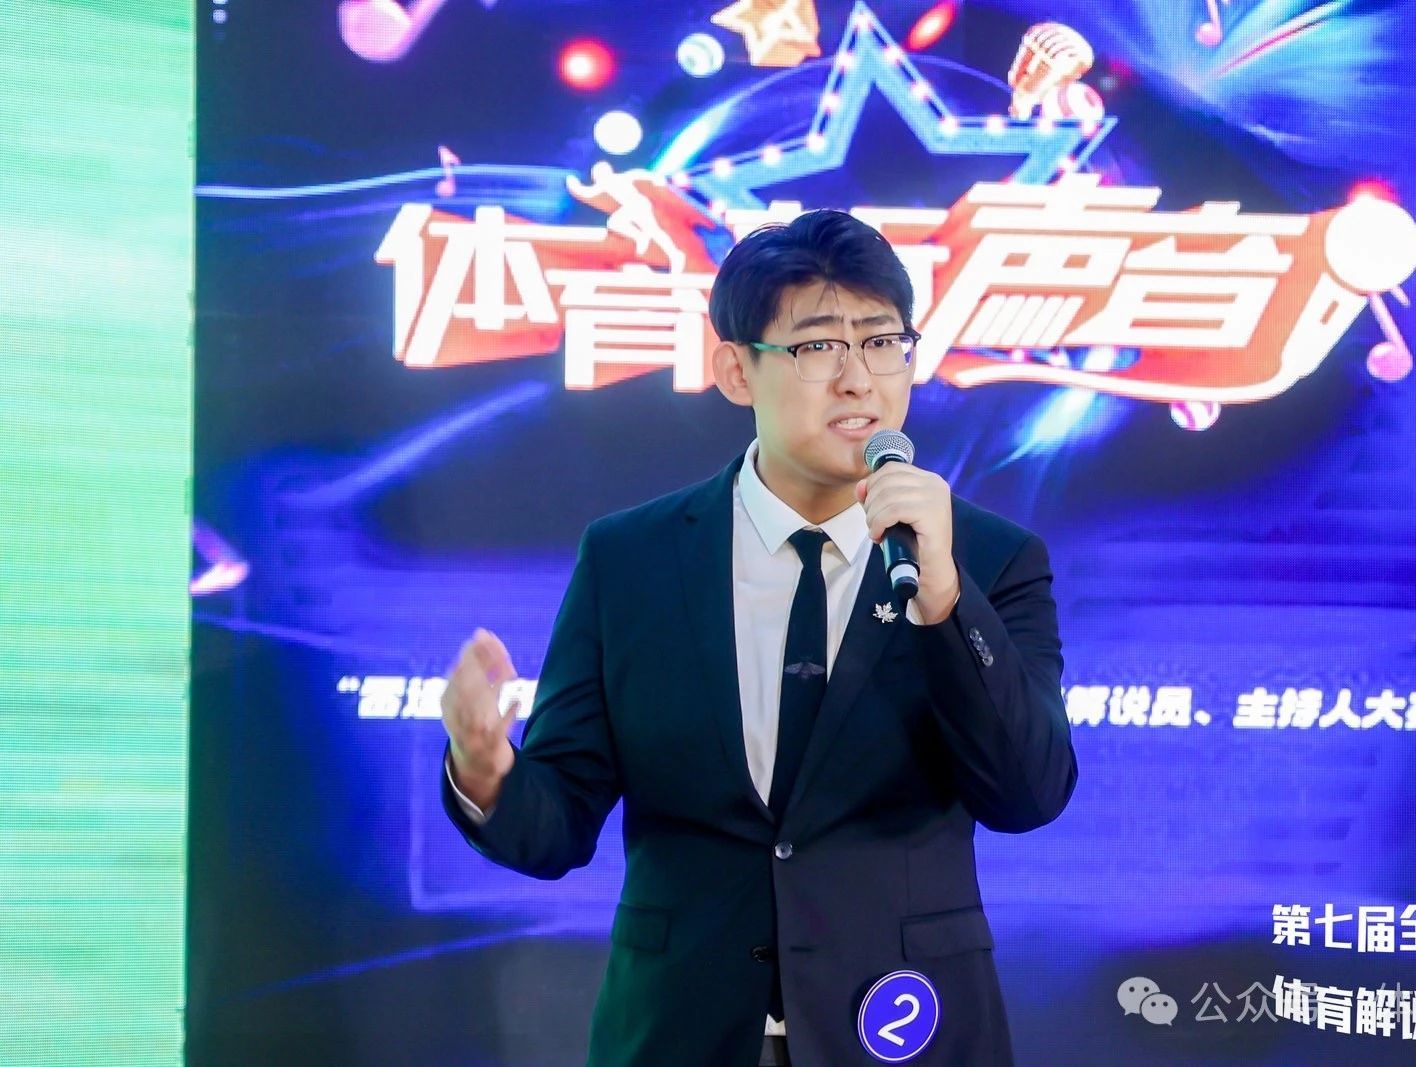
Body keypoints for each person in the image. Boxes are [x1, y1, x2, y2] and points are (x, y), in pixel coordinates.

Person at [441, 209, 1078, 1066]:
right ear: (735, 371)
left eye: (883, 342)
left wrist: (945, 603)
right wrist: (487, 770)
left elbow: (1029, 793)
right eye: (818, 346)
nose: (859, 379)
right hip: (682, 1036)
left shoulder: (990, 560)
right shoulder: (632, 560)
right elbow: (556, 824)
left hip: (905, 1032)